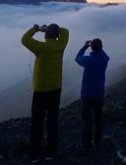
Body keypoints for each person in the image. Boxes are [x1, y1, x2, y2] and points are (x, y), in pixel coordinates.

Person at [21, 22, 69, 161]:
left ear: (46, 35)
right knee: (53, 121)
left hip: (41, 90)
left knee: (38, 122)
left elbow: (24, 40)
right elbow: (65, 31)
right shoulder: (61, 45)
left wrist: (36, 29)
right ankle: (51, 152)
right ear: (57, 35)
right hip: (56, 88)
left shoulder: (41, 48)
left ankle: (34, 154)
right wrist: (52, 29)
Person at [75, 38, 109, 149]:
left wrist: (85, 46)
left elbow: (77, 58)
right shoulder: (104, 59)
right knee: (98, 119)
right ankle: (98, 142)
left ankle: (87, 144)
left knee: (87, 120)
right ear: (101, 47)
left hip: (87, 94)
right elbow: (103, 53)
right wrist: (97, 46)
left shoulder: (88, 60)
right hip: (99, 93)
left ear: (92, 47)